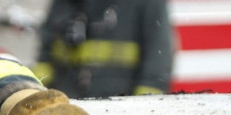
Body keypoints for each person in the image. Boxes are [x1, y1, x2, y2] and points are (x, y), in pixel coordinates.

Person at [33, 0, 174, 98]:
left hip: (120, 106)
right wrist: (36, 90)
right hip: (69, 100)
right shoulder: (66, 3)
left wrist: (145, 105)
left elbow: (158, 57)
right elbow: (47, 50)